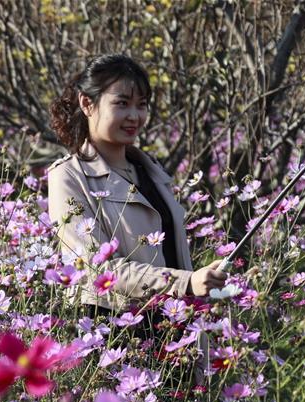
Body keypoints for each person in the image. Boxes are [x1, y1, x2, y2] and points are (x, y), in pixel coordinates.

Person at [46, 54, 227, 382]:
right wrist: (183, 282)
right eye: (122, 103)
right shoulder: (69, 177)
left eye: (142, 105)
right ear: (87, 103)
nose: (135, 116)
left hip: (177, 326)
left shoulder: (150, 169)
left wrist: (200, 283)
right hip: (121, 337)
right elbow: (94, 268)